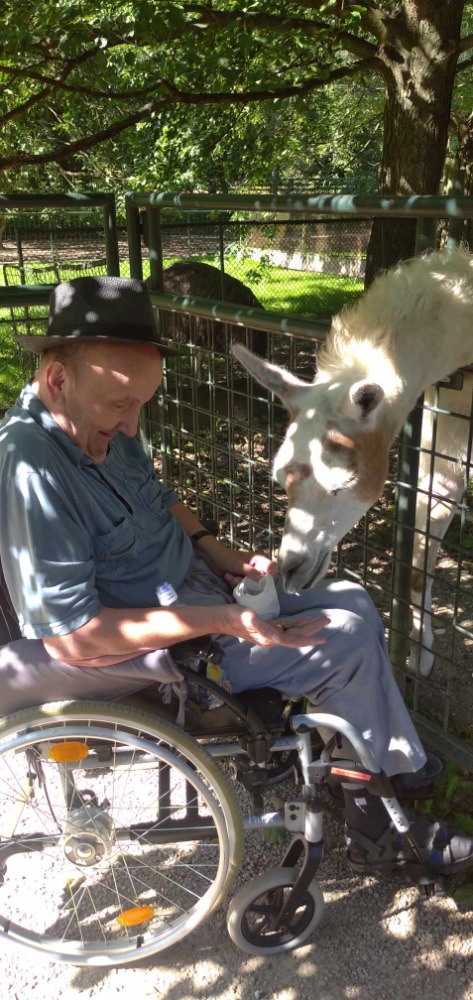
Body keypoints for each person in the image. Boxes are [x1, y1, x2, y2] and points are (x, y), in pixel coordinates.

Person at [0, 274, 471, 878]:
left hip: (196, 595)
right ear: (57, 379)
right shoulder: (33, 467)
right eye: (121, 404)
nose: (132, 425)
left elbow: (159, 497)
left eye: (141, 404)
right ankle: (378, 829)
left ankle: (367, 764)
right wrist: (221, 619)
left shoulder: (94, 422)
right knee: (347, 643)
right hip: (169, 652)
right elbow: (73, 639)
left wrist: (215, 551)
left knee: (352, 597)